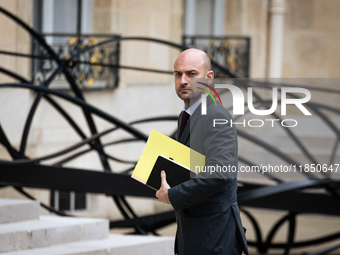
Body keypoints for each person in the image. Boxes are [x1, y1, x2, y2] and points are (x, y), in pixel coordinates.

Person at [156, 48, 249, 255]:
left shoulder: (216, 115)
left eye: (191, 74)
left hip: (213, 238)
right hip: (195, 235)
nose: (183, 81)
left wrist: (173, 195)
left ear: (208, 78)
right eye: (177, 74)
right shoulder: (186, 115)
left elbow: (220, 173)